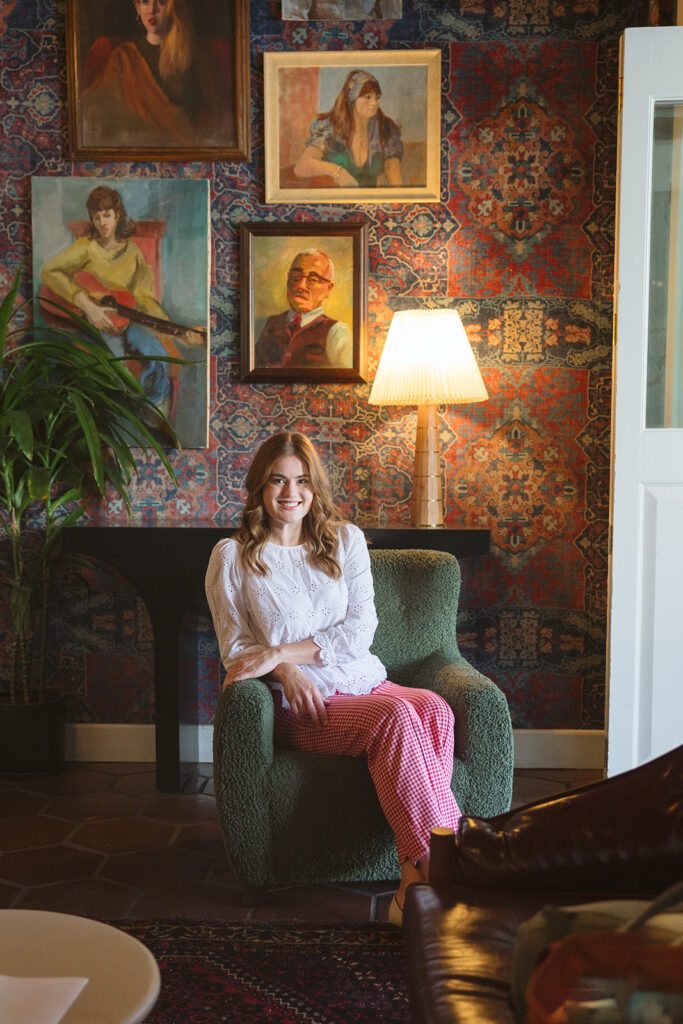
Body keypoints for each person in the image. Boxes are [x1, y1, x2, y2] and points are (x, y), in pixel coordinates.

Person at [204, 432, 462, 925]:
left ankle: (413, 879)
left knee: (434, 708)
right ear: (260, 487)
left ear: (314, 487)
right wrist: (284, 671)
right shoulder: (232, 557)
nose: (290, 493)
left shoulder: (345, 541)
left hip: (360, 679)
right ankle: (443, 869)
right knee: (393, 718)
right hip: (300, 702)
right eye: (277, 480)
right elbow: (236, 649)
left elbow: (359, 632)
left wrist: (280, 651)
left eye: (301, 481)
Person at [40, 184, 203, 420]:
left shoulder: (133, 253)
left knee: (157, 354)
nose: (102, 222)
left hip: (131, 320)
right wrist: (87, 304)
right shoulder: (86, 248)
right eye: (97, 217)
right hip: (99, 323)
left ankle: (154, 407)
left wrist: (178, 333)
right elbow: (50, 271)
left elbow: (145, 300)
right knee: (115, 365)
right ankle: (113, 419)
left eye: (107, 215)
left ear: (117, 215)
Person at [80, 0, 234, 149]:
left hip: (190, 149)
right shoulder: (124, 56)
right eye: (145, 2)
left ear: (174, 7)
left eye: (161, 2)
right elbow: (103, 114)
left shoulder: (196, 55)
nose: (152, 9)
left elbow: (216, 112)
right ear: (138, 8)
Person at [293, 68, 403, 188]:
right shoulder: (331, 126)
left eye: (377, 97)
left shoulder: (385, 128)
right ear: (352, 97)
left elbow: (394, 175)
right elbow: (302, 167)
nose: (374, 103)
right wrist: (339, 173)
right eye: (367, 97)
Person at [254, 249, 352, 369]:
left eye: (313, 280)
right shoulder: (261, 325)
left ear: (329, 289)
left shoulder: (337, 333)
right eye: (296, 276)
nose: (300, 286)